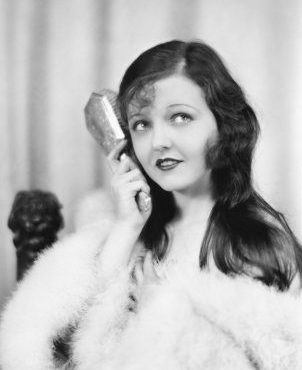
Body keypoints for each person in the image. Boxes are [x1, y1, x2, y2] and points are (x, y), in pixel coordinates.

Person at [1, 40, 302, 370]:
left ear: (224, 127)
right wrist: (128, 227)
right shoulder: (129, 232)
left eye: (181, 117)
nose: (158, 142)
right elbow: (65, 352)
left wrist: (162, 315)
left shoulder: (257, 246)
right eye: (142, 124)